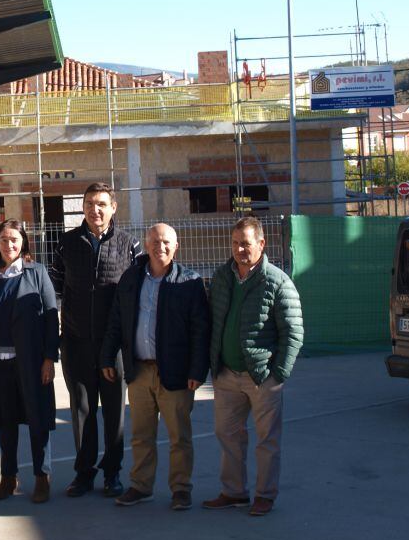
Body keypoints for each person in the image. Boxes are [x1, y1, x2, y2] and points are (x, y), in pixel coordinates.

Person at [101, 224, 211, 511]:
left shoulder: (189, 282)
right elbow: (116, 321)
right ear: (146, 245)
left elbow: (201, 331)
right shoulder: (131, 278)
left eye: (165, 242)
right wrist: (107, 356)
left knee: (179, 437)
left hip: (175, 373)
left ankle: (181, 489)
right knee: (141, 435)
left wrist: (197, 371)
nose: (159, 247)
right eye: (154, 242)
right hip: (138, 371)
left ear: (176, 246)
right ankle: (141, 486)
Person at [202, 216, 304, 517]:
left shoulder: (277, 281)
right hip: (226, 375)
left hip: (262, 377)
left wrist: (278, 375)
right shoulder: (222, 277)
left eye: (245, 244)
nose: (239, 250)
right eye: (234, 243)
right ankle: (234, 492)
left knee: (267, 440)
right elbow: (213, 319)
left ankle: (265, 495)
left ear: (261, 244)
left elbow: (294, 332)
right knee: (227, 435)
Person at [48, 183, 140, 498]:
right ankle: (84, 474)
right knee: (82, 410)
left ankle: (112, 473)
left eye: (101, 204)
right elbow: (56, 289)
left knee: (114, 412)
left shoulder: (130, 245)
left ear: (113, 207)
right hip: (76, 343)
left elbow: (138, 294)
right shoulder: (66, 243)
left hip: (114, 346)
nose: (95, 210)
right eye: (89, 204)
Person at [0, 220, 59, 504]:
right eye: (4, 239)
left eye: (15, 240)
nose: (10, 245)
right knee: (6, 423)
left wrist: (49, 359)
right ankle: (8, 478)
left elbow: (50, 318)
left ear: (24, 243)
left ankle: (42, 477)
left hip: (32, 363)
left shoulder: (37, 273)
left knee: (38, 420)